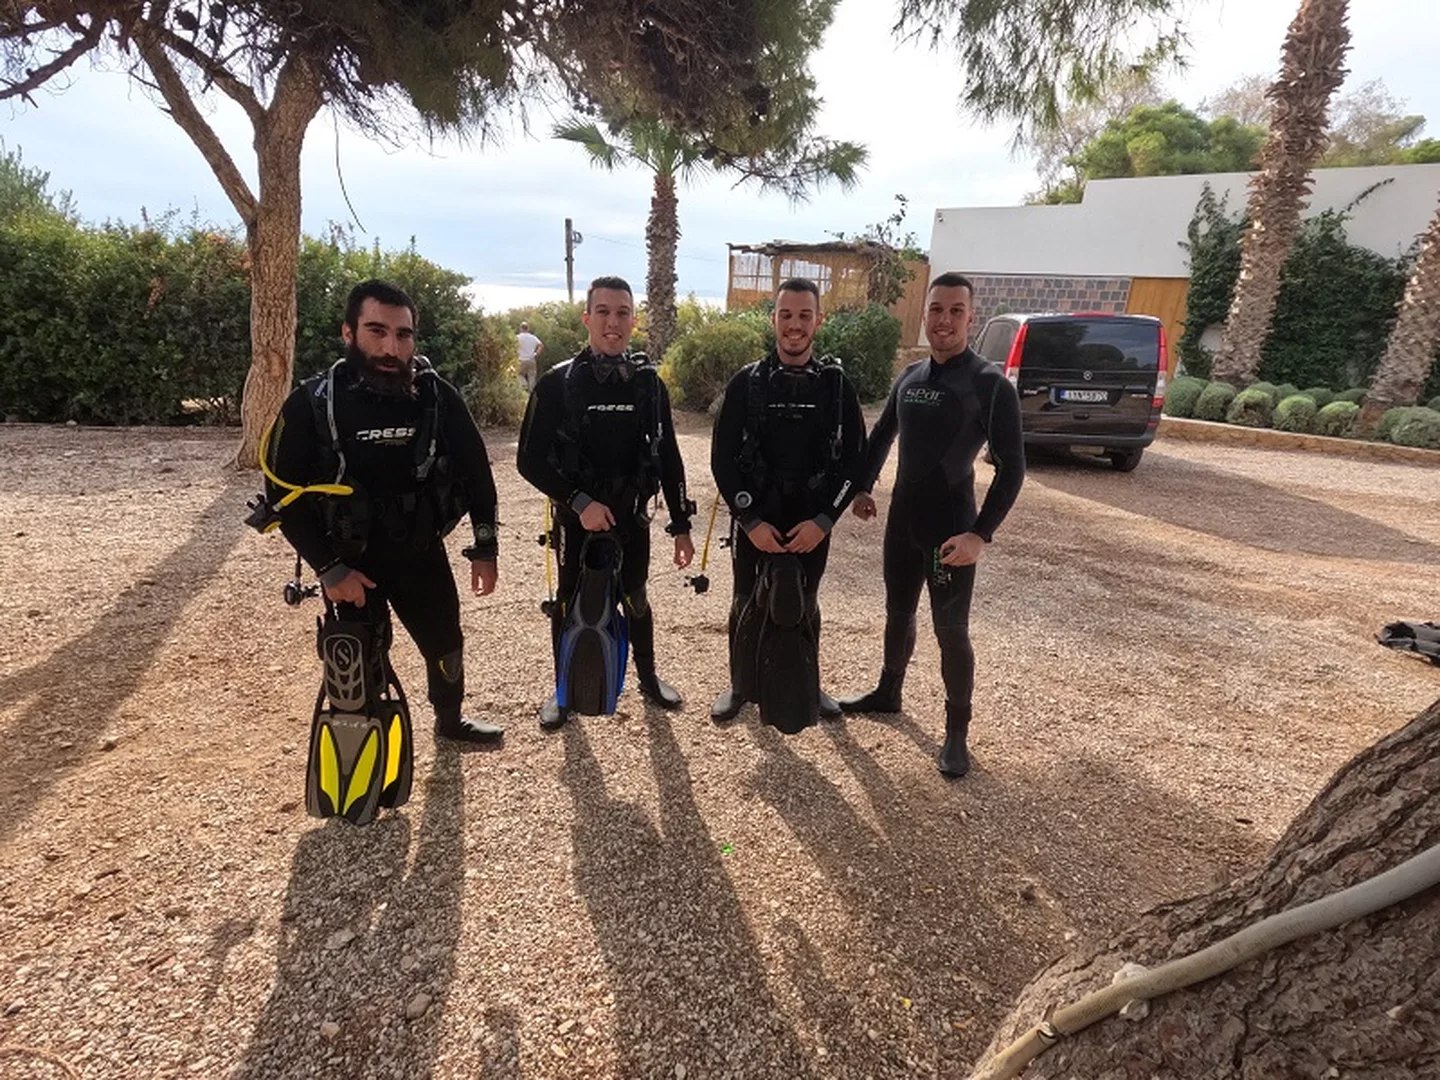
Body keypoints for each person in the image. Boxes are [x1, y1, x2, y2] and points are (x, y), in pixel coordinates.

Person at [263, 279, 505, 745]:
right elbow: (280, 497)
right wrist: (329, 569)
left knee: (445, 644)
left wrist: (485, 547)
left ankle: (449, 721)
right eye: (377, 331)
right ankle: (363, 744)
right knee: (358, 660)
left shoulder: (437, 397)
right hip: (349, 558)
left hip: (419, 550)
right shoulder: (314, 402)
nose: (392, 348)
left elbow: (477, 473)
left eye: (403, 334)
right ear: (348, 333)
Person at [839, 272, 1025, 777]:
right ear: (925, 314)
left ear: (971, 317)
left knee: (951, 631)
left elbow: (1013, 468)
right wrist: (863, 486)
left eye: (955, 311)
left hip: (951, 530)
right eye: (936, 309)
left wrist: (979, 534)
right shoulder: (910, 376)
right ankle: (888, 692)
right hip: (903, 522)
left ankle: (956, 733)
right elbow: (882, 434)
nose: (944, 320)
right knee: (897, 613)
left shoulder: (989, 385)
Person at [517, 275, 695, 729]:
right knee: (568, 600)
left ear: (634, 320)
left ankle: (648, 678)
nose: (612, 322)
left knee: (636, 597)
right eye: (603, 312)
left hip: (631, 515)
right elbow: (529, 460)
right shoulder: (557, 383)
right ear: (587, 318)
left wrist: (681, 525)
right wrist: (579, 503)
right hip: (577, 517)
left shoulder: (649, 385)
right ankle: (564, 691)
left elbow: (669, 457)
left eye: (622, 313)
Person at [709, 278, 867, 726]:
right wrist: (748, 519)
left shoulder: (836, 387)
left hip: (810, 518)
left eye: (804, 315)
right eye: (786, 315)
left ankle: (808, 684)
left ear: (819, 320)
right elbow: (722, 459)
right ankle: (741, 685)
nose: (794, 325)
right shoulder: (747, 383)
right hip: (756, 513)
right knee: (744, 598)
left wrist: (825, 519)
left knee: (806, 599)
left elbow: (855, 462)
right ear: (773, 319)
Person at [516, 321, 544, 392]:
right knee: (532, 377)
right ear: (528, 329)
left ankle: (524, 385)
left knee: (519, 374)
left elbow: (512, 346)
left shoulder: (517, 337)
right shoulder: (533, 337)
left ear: (520, 328)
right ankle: (531, 392)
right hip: (531, 359)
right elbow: (541, 345)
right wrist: (536, 354)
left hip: (521, 360)